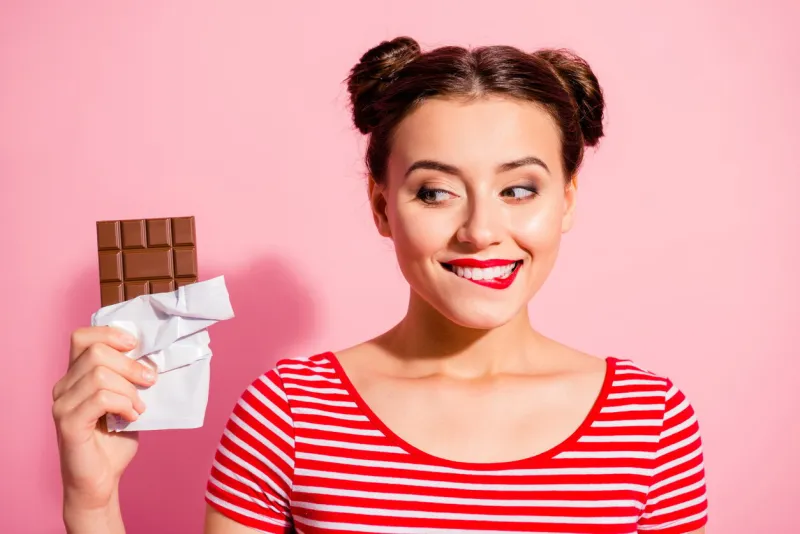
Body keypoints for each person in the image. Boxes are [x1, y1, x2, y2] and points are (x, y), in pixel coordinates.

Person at [52, 36, 708, 533]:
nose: (481, 229)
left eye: (518, 189)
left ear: (565, 200)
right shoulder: (287, 414)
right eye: (435, 191)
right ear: (381, 205)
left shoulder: (649, 423)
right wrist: (94, 499)